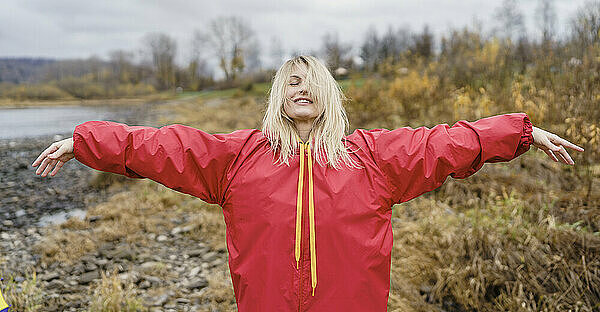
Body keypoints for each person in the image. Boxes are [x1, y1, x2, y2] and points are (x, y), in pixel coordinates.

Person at [32, 55, 583, 311]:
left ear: (329, 95)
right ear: (278, 95)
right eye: (291, 82)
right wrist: (85, 142)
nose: (301, 89)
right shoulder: (237, 158)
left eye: (312, 82)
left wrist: (520, 133)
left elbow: (443, 142)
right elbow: (160, 147)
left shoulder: (371, 158)